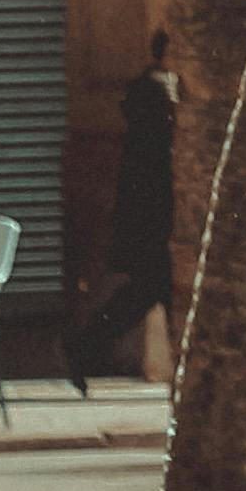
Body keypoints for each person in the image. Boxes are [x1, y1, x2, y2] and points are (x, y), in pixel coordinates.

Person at [66, 26, 176, 397]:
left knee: (150, 293)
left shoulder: (159, 91)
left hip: (159, 214)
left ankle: (83, 350)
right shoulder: (150, 93)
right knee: (155, 291)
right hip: (155, 215)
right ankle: (83, 349)